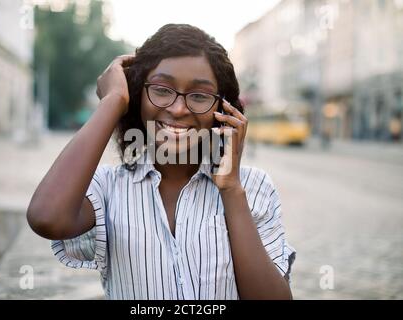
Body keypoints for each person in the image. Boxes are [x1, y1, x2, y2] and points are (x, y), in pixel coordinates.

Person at [27, 24, 296, 300]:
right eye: (161, 90)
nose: (178, 109)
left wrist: (231, 190)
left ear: (222, 109)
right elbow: (46, 217)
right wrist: (113, 100)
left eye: (200, 96)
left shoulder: (253, 187)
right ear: (137, 97)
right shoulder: (108, 187)